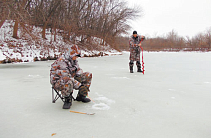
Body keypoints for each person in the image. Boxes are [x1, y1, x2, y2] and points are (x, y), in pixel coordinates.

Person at [50, 45, 92, 109]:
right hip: (59, 82)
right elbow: (66, 76)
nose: (76, 58)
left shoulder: (73, 60)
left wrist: (79, 75)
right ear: (71, 54)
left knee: (88, 75)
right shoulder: (61, 61)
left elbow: (78, 70)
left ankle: (81, 96)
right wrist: (80, 86)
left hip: (70, 78)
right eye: (75, 56)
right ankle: (67, 99)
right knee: (68, 80)